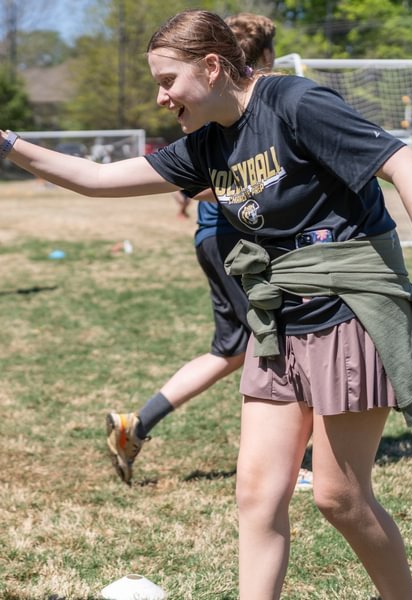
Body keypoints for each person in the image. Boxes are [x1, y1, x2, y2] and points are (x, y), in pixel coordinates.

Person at [0, 10, 412, 599]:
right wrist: (5, 144)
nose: (161, 97)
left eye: (168, 80)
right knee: (256, 493)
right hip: (276, 322)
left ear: (212, 67)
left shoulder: (295, 104)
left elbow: (409, 166)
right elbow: (96, 177)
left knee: (338, 497)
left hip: (347, 312)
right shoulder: (206, 145)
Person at [106, 12, 293, 487]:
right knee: (280, 340)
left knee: (230, 349)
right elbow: (204, 183)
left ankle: (136, 424)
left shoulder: (226, 104)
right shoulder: (234, 105)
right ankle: (290, 461)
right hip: (235, 240)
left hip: (212, 240)